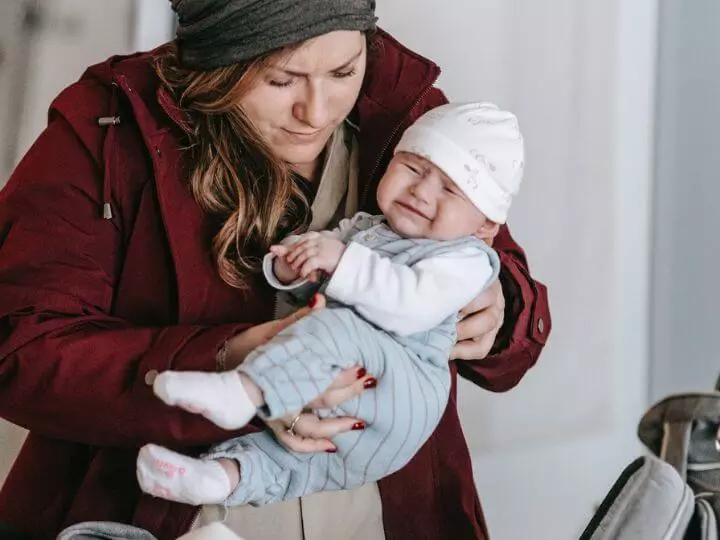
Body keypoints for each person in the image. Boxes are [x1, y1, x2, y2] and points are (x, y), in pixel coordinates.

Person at [0, 1, 551, 539]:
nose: (316, 111)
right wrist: (228, 360)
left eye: (343, 71)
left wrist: (502, 304)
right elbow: (22, 352)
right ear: (220, 62)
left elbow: (503, 295)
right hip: (171, 514)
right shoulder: (107, 126)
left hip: (380, 517)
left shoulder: (410, 114)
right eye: (281, 80)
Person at [135, 102, 521, 509]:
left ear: (485, 227)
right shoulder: (368, 229)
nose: (421, 192)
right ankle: (216, 479)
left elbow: (409, 305)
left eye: (450, 189)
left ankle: (243, 390)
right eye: (412, 168)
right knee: (284, 458)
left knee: (336, 329)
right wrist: (293, 270)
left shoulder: (466, 259)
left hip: (401, 392)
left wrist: (339, 259)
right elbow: (327, 286)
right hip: (350, 404)